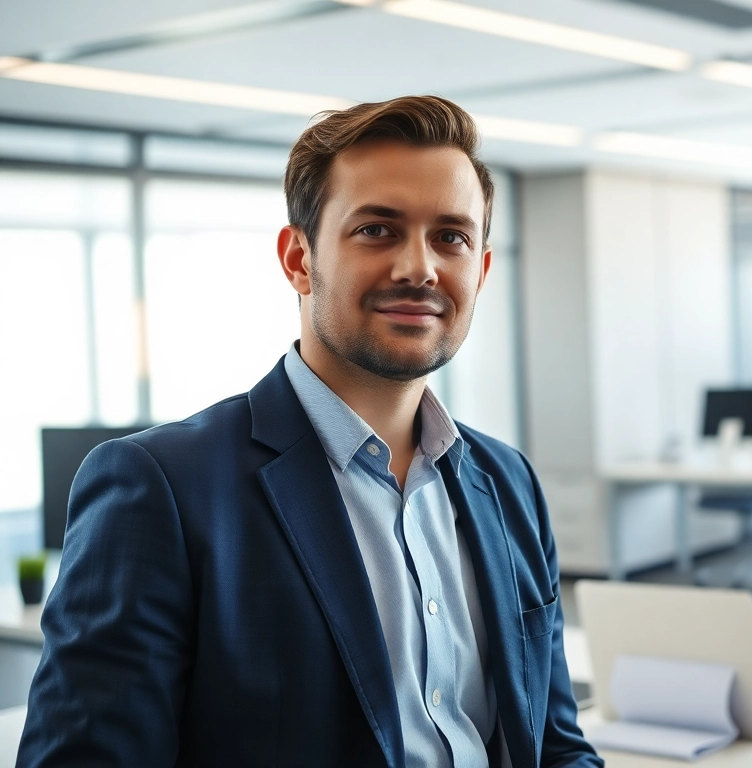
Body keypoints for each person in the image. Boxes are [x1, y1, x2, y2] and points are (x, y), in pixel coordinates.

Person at [19, 96, 602, 768]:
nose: (420, 268)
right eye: (378, 230)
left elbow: (556, 745)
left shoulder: (509, 484)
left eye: (452, 237)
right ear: (298, 258)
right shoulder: (161, 488)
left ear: (482, 270)